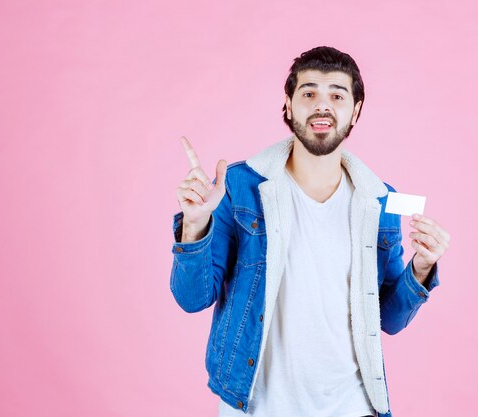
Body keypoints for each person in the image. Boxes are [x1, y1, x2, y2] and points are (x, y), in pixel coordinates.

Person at [170, 46, 450, 417]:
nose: (322, 105)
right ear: (288, 105)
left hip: (353, 407)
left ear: (356, 111)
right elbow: (191, 299)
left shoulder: (380, 202)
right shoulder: (240, 187)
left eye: (337, 94)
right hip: (254, 407)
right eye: (309, 93)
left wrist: (421, 269)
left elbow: (391, 320)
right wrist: (194, 224)